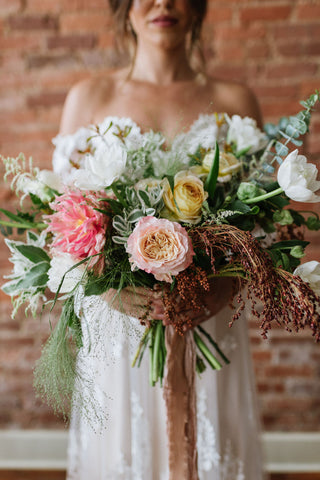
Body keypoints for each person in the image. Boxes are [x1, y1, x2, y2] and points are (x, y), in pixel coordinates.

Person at [55, 0, 267, 478]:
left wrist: (223, 288)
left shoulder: (237, 102)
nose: (163, 3)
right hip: (120, 328)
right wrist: (109, 287)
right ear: (123, 7)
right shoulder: (88, 100)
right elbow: (66, 230)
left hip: (208, 321)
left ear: (198, 7)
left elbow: (261, 231)